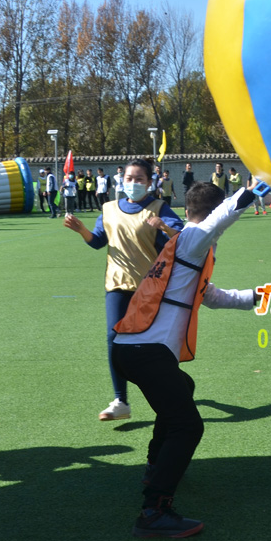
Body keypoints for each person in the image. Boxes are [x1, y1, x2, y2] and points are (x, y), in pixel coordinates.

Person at [112, 180, 259, 537]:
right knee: (188, 425)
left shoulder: (185, 251)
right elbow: (219, 221)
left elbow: (212, 296)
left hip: (132, 348)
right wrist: (256, 188)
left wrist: (265, 295)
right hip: (143, 350)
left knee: (183, 388)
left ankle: (154, 466)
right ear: (212, 210)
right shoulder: (193, 239)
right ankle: (154, 510)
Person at [64, 159, 184, 421]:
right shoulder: (108, 209)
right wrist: (81, 229)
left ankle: (170, 391)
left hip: (151, 288)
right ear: (121, 180)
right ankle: (121, 401)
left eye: (139, 179)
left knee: (153, 343)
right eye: (129, 178)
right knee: (114, 339)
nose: (133, 183)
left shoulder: (158, 208)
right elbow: (97, 242)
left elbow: (182, 237)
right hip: (117, 285)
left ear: (150, 183)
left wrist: (163, 226)